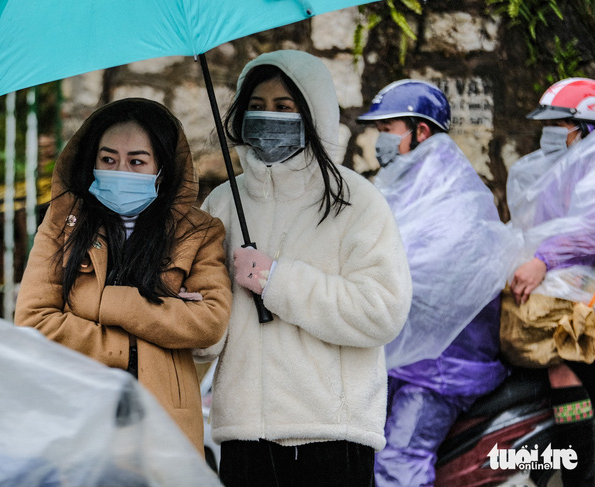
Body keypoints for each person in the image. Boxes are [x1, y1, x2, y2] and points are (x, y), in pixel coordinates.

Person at [194, 49, 413, 487]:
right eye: (255, 107)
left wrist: (278, 279)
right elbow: (210, 326)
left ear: (312, 113)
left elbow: (382, 310)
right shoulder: (222, 204)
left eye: (283, 107)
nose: (267, 117)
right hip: (244, 436)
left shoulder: (356, 200)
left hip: (331, 437)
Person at [14, 98, 232, 455]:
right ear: (93, 161)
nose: (121, 171)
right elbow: (34, 321)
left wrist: (103, 303)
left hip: (164, 420)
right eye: (109, 159)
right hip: (79, 414)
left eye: (137, 161)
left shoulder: (199, 232)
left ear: (162, 168)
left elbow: (208, 322)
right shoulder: (62, 225)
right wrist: (133, 344)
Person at [356, 79, 515, 487]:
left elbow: (433, 272)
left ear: (420, 131)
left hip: (443, 368)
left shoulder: (453, 193)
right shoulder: (405, 184)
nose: (379, 141)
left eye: (387, 130)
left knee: (398, 463)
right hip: (405, 359)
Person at [504, 77, 595, 486]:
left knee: (562, 366)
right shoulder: (553, 171)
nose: (549, 134)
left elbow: (589, 230)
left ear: (585, 128)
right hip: (561, 288)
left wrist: (542, 260)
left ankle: (580, 475)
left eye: (559, 125)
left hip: (582, 297)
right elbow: (527, 226)